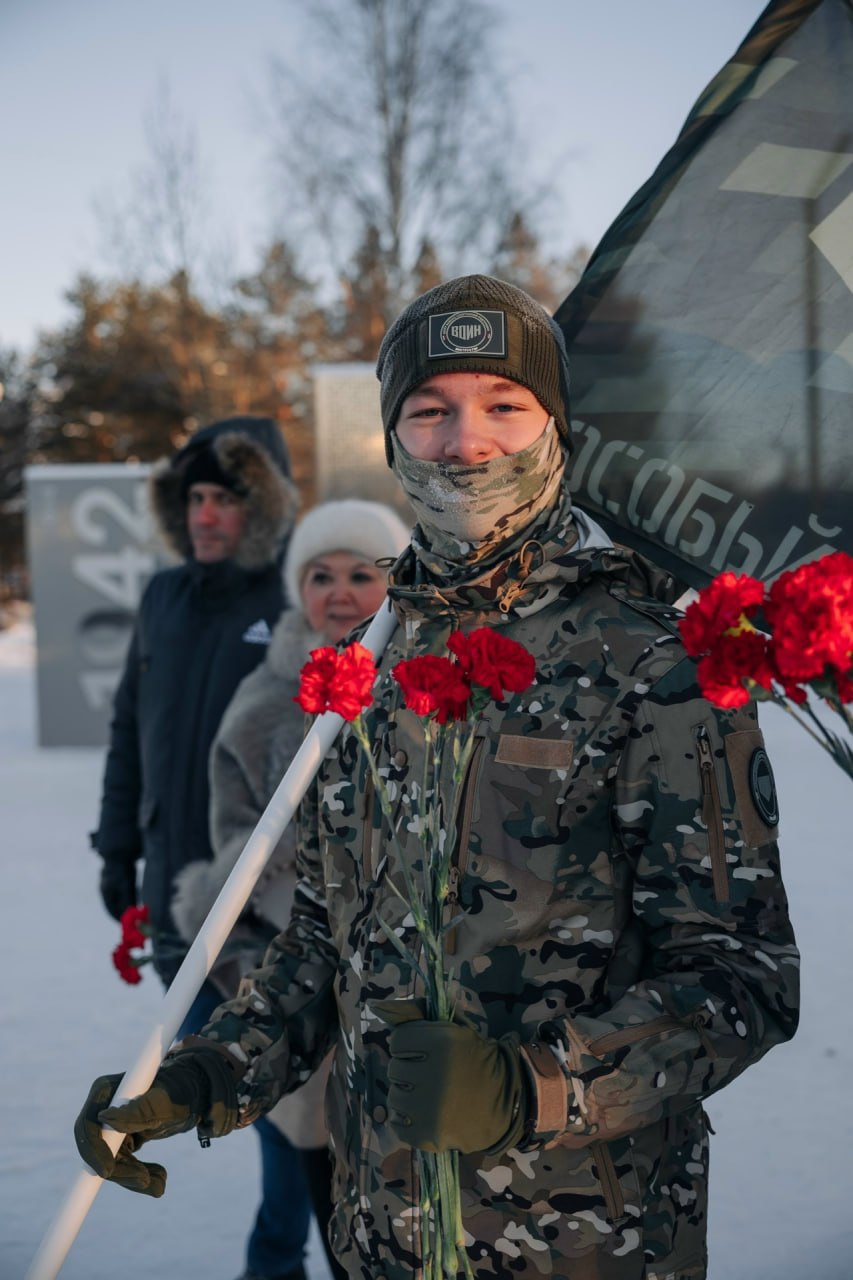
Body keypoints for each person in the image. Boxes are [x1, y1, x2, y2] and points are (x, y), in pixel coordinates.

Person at [77, 277, 800, 1280]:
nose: (466, 443)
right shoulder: (371, 658)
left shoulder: (651, 661)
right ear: (393, 439)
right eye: (430, 411)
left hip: (586, 1241)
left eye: (504, 406)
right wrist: (208, 1071)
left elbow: (744, 978)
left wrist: (533, 1085)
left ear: (557, 429)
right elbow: (329, 934)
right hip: (380, 1234)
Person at [91, 413, 313, 1280]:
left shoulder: (295, 601)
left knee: (282, 1097)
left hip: (266, 913)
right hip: (175, 898)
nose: (205, 515)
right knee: (237, 1090)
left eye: (226, 497)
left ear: (263, 505)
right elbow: (126, 731)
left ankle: (277, 1259)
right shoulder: (164, 597)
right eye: (194, 498)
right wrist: (117, 851)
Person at [171, 499, 410, 1280]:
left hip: (414, 996)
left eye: (361, 574)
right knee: (323, 1193)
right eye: (320, 575)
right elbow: (229, 840)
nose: (339, 593)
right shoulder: (265, 700)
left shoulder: (429, 685)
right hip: (300, 992)